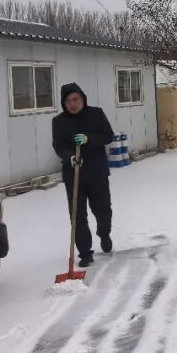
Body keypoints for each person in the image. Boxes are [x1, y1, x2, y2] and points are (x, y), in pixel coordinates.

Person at [52, 83, 116, 267]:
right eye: (68, 101)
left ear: (83, 98)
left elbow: (108, 136)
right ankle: (85, 253)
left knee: (102, 210)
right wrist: (70, 157)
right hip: (74, 174)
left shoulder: (96, 114)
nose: (72, 103)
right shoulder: (59, 121)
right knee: (77, 215)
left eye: (76, 99)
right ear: (64, 103)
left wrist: (89, 139)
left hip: (97, 172)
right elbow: (58, 146)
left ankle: (104, 234)